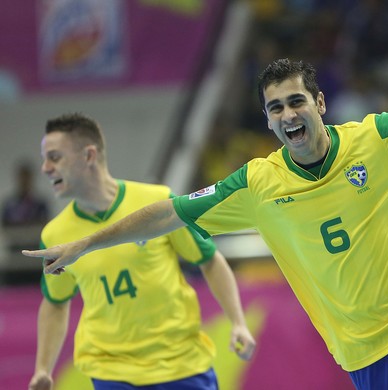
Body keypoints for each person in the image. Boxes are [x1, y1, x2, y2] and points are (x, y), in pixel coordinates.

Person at [24, 36, 388, 390]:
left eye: (296, 101)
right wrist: (85, 244)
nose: (287, 114)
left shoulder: (379, 139)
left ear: (319, 103)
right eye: (275, 107)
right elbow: (169, 213)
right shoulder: (257, 183)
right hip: (360, 350)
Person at [27, 113, 256, 390]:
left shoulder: (157, 203)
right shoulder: (54, 235)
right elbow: (55, 301)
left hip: (182, 365)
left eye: (54, 157)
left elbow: (209, 260)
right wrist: (43, 369)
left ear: (88, 156)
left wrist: (238, 322)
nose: (45, 168)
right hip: (111, 372)